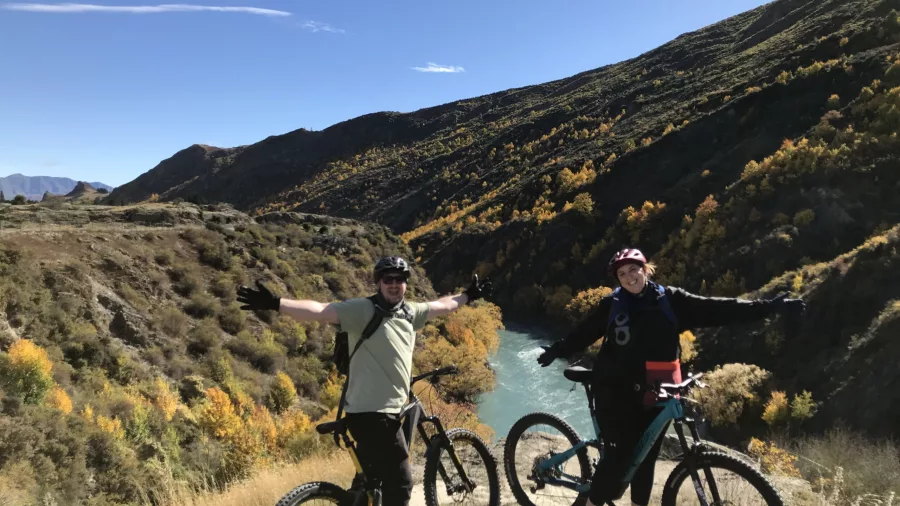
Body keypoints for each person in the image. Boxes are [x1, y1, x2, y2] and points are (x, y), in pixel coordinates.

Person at [536, 247, 806, 506]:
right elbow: (584, 333)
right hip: (616, 392)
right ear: (617, 279)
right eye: (622, 274)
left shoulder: (670, 300)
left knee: (647, 457)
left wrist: (769, 307)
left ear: (646, 269)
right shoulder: (613, 305)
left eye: (634, 269)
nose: (630, 277)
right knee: (618, 459)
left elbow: (718, 308)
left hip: (659, 388)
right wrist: (557, 350)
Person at [236, 256, 492, 506]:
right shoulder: (363, 310)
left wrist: (467, 296)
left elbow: (442, 306)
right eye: (388, 279)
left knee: (369, 483)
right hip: (376, 415)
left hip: (377, 413)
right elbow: (321, 311)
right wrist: (275, 303)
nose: (394, 284)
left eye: (400, 279)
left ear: (406, 282)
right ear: (378, 282)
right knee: (401, 487)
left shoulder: (410, 312)